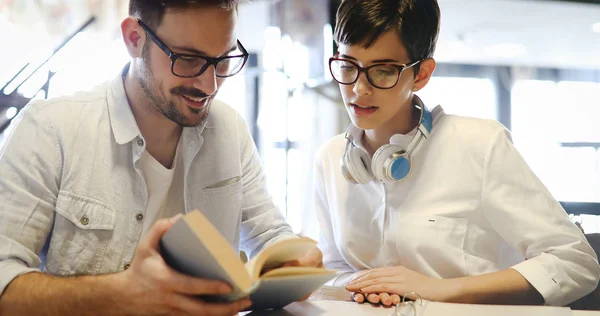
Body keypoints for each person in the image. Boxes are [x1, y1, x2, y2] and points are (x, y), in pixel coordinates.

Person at [0, 0, 322, 315]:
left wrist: (296, 261)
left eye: (222, 60)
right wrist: (119, 295)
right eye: (188, 59)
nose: (209, 85)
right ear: (134, 39)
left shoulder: (231, 132)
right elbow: (4, 282)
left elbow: (271, 237)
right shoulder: (51, 129)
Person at [314, 0, 600, 307]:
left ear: (421, 74)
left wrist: (436, 289)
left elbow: (575, 262)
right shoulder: (331, 158)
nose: (358, 89)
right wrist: (367, 286)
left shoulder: (479, 144)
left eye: (382, 71)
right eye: (347, 66)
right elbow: (336, 267)